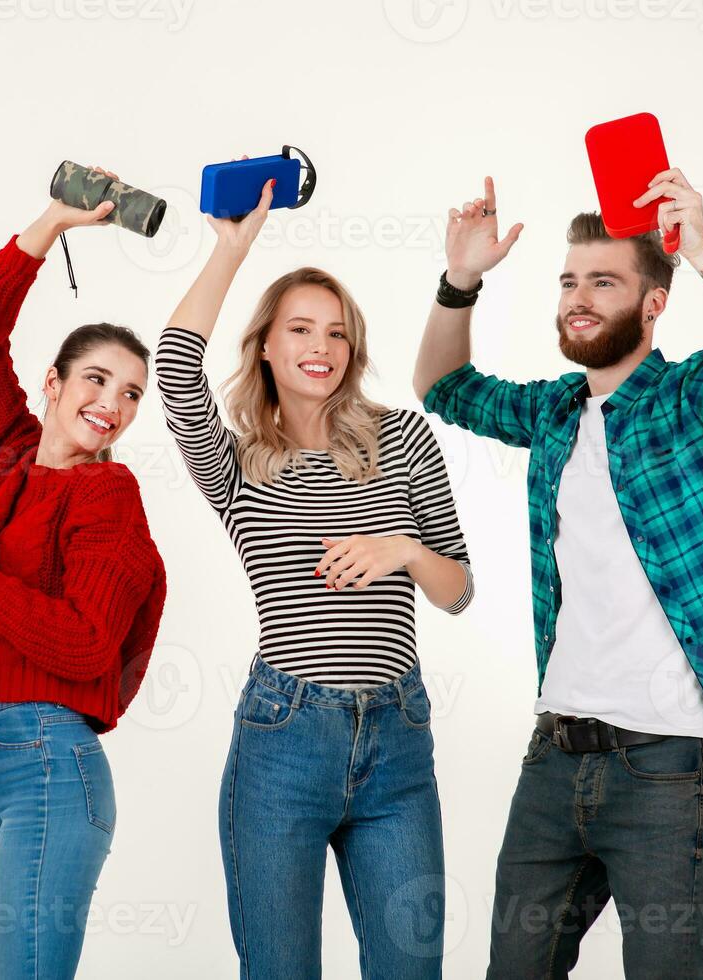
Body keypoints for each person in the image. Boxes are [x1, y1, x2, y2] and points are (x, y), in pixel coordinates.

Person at [413, 173, 703, 979]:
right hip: (552, 760)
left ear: (653, 302)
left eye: (604, 281)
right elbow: (441, 388)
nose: (578, 297)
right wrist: (460, 279)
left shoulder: (695, 395)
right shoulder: (555, 411)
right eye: (570, 280)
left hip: (666, 771)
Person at [156, 177, 474, 979]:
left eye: (336, 332)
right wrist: (231, 248)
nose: (320, 347)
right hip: (283, 746)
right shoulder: (237, 465)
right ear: (265, 343)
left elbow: (459, 590)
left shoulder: (402, 438)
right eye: (299, 328)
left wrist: (401, 548)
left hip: (397, 745)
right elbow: (173, 371)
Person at [0, 168, 168, 979]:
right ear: (53, 384)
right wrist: (52, 226)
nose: (113, 404)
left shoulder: (109, 494)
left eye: (132, 394)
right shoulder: (9, 456)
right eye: (96, 379)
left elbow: (88, 645)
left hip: (47, 766)